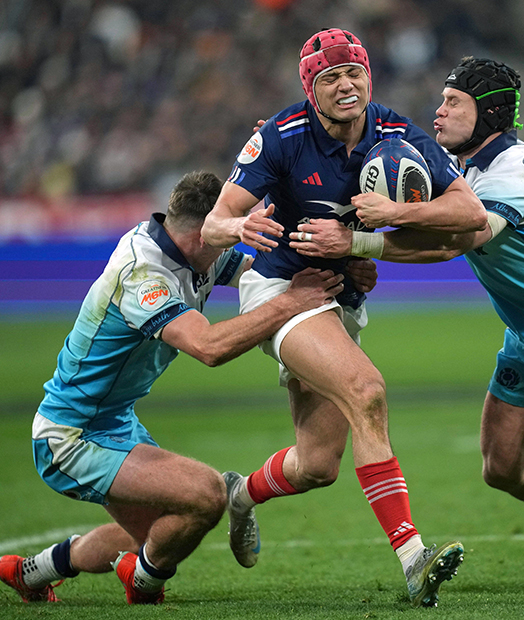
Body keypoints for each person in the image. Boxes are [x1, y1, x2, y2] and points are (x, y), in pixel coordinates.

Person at [290, 57, 524, 594]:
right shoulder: (460, 173)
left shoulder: (516, 170)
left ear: (491, 115)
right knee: (500, 466)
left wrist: (376, 226)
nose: (439, 112)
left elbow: (467, 234)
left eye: (454, 102)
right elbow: (440, 244)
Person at [200, 28, 487, 607]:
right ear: (311, 88)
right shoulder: (280, 136)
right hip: (282, 289)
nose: (345, 85)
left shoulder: (395, 131)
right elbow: (214, 222)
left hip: (339, 298)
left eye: (354, 72)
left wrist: (376, 226)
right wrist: (242, 227)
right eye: (329, 77)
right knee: (367, 391)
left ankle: (240, 496)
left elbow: (470, 214)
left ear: (368, 77)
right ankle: (413, 560)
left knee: (317, 464)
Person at [0, 170, 356, 605]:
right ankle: (144, 583)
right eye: (226, 232)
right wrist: (291, 302)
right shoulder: (143, 274)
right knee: (206, 496)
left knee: (157, 535)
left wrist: (346, 270)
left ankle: (33, 572)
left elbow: (260, 273)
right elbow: (208, 347)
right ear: (205, 233)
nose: (232, 241)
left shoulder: (191, 247)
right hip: (72, 436)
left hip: (114, 421)